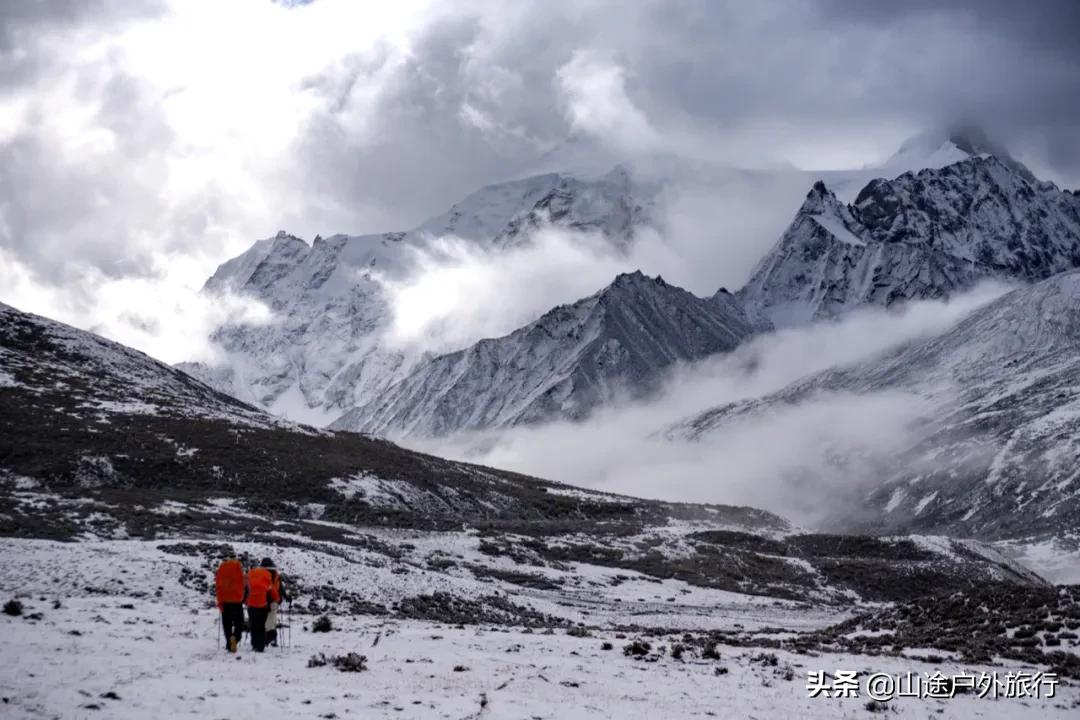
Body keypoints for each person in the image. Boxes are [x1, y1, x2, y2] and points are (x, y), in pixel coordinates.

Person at [214, 551, 246, 653]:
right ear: (235, 558)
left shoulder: (222, 567)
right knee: (239, 623)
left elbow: (218, 584)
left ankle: (229, 641)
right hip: (237, 600)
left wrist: (220, 601)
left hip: (225, 600)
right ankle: (235, 638)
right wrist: (243, 596)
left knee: (226, 623)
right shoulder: (238, 566)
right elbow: (243, 582)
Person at [246, 558, 280, 652]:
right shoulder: (270, 575)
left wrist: (244, 600)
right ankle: (261, 644)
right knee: (263, 625)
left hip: (251, 603)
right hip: (264, 603)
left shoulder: (251, 574)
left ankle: (255, 644)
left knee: (254, 625)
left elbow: (246, 587)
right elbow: (273, 590)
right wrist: (277, 599)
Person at [263, 559, 292, 647]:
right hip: (275, 601)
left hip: (263, 601)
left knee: (266, 621)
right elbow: (281, 589)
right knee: (272, 620)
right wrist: (287, 597)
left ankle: (267, 638)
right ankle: (272, 639)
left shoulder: (262, 575)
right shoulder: (276, 575)